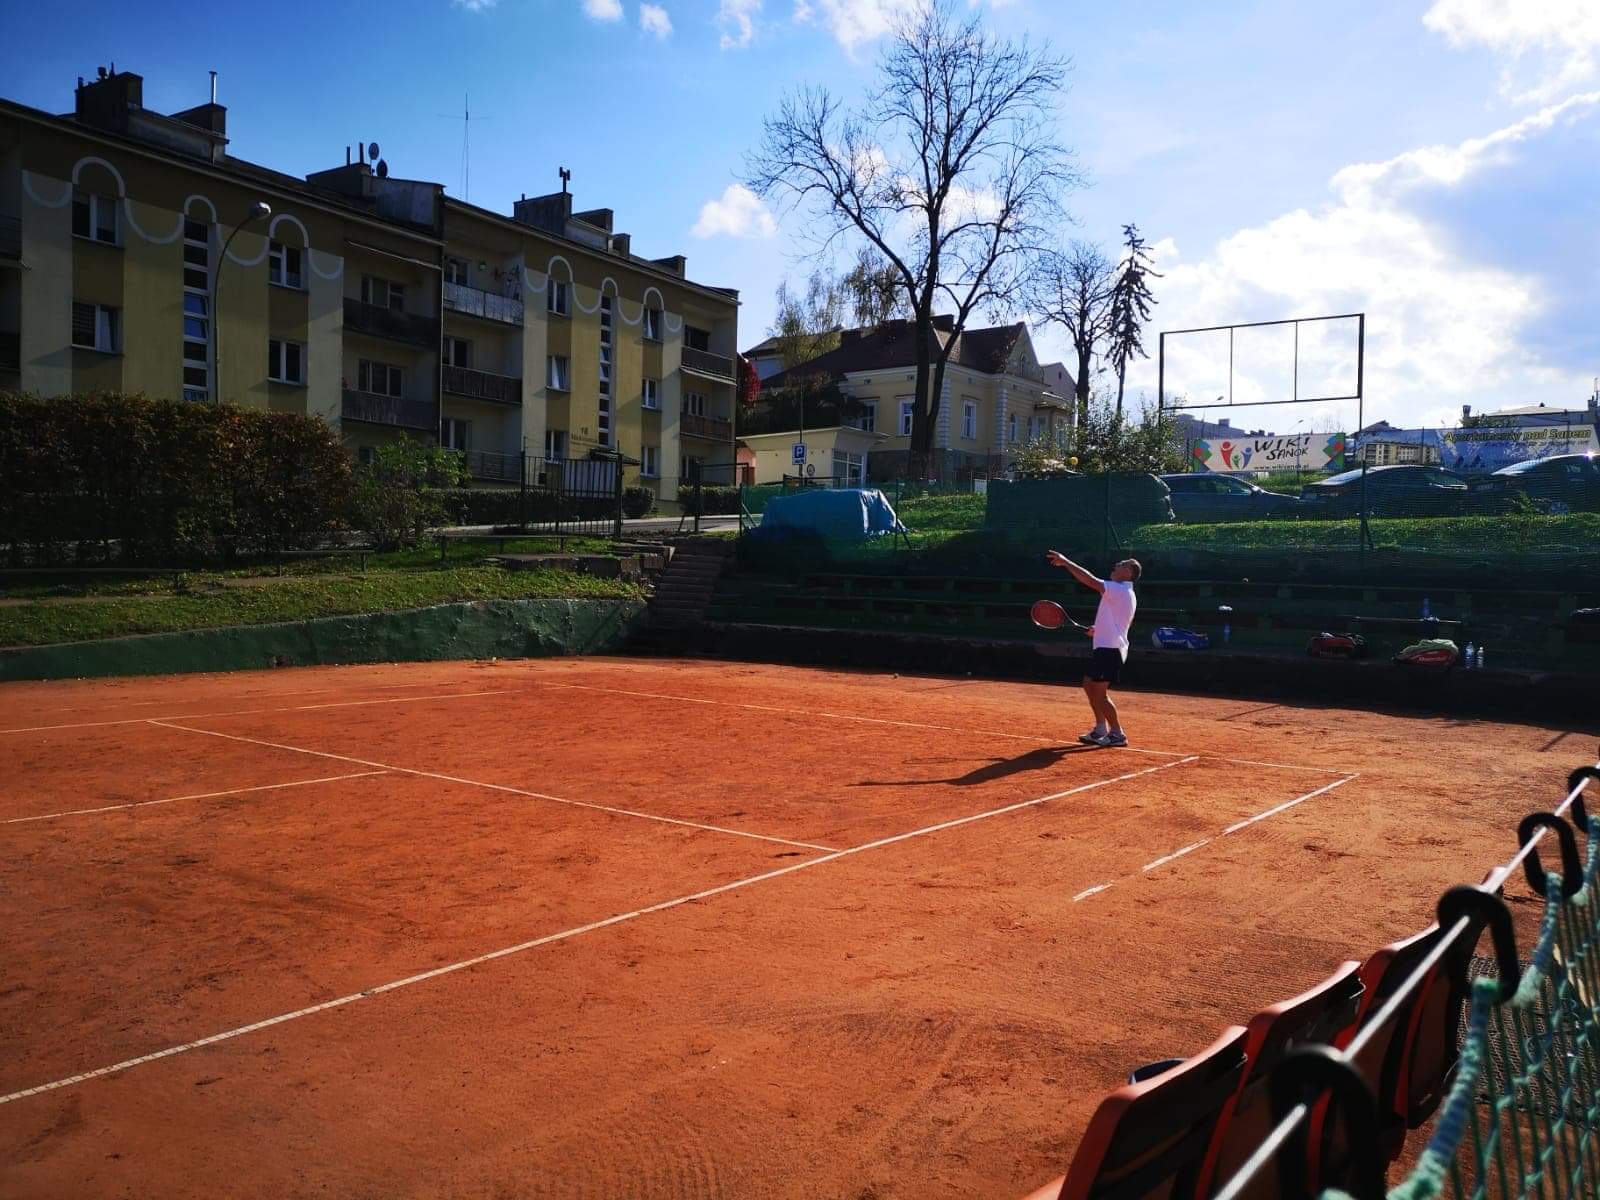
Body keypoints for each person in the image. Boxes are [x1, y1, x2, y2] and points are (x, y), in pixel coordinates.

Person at [1045, 551, 1142, 747]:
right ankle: (1100, 730)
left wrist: (1066, 562)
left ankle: (1117, 734)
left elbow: (1090, 580)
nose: (1116, 564)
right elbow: (1121, 622)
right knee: (1089, 685)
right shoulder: (1122, 592)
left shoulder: (1120, 590)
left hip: (1110, 650)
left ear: (1129, 572)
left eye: (1121, 563)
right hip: (1105, 646)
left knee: (1099, 693)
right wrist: (1099, 630)